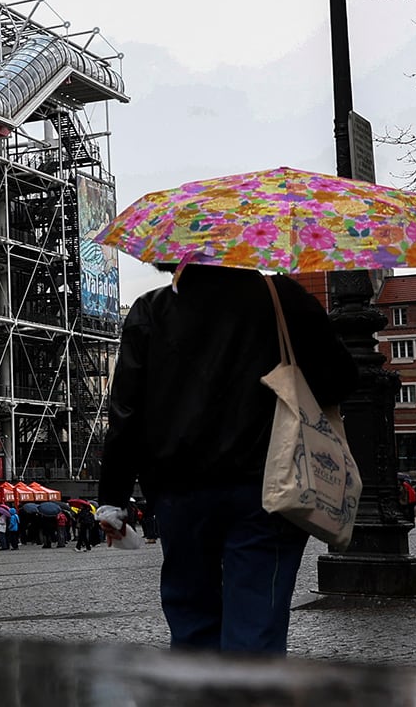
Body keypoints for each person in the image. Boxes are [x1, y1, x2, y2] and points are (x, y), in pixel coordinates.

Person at [101, 263, 359, 655]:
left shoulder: (150, 310)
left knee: (191, 622)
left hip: (178, 492)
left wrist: (113, 497)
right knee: (257, 623)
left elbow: (125, 412)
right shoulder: (282, 299)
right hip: (268, 486)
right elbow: (341, 380)